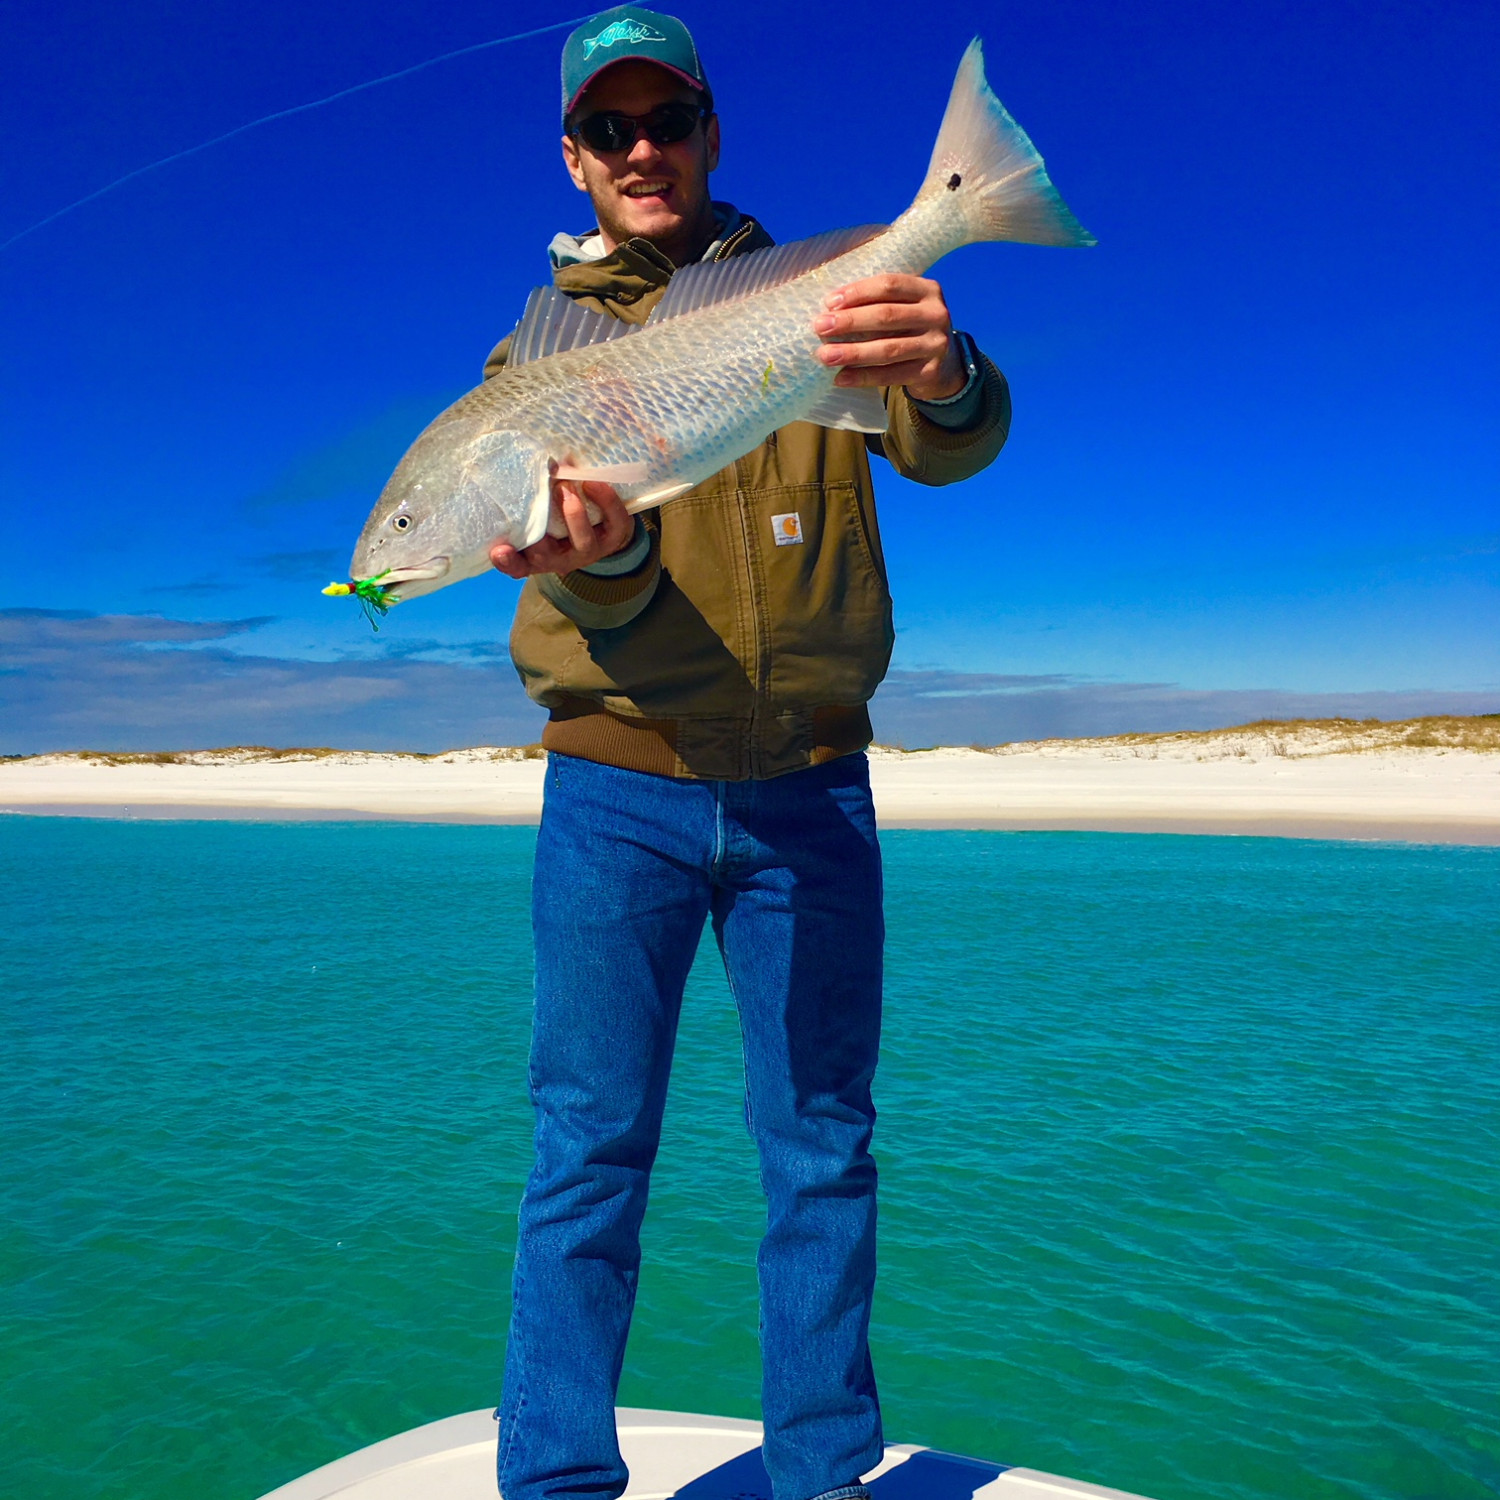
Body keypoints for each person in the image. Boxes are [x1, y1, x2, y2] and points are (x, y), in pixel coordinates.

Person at [484, 9, 1011, 1500]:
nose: (643, 151)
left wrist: (947, 365)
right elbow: (586, 581)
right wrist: (590, 566)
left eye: (669, 123)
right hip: (616, 796)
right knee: (586, 1162)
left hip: (813, 790)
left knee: (824, 1153)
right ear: (575, 158)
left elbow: (952, 438)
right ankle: (556, 1483)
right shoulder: (530, 357)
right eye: (612, 130)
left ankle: (822, 1481)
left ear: (713, 134)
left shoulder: (825, 288)